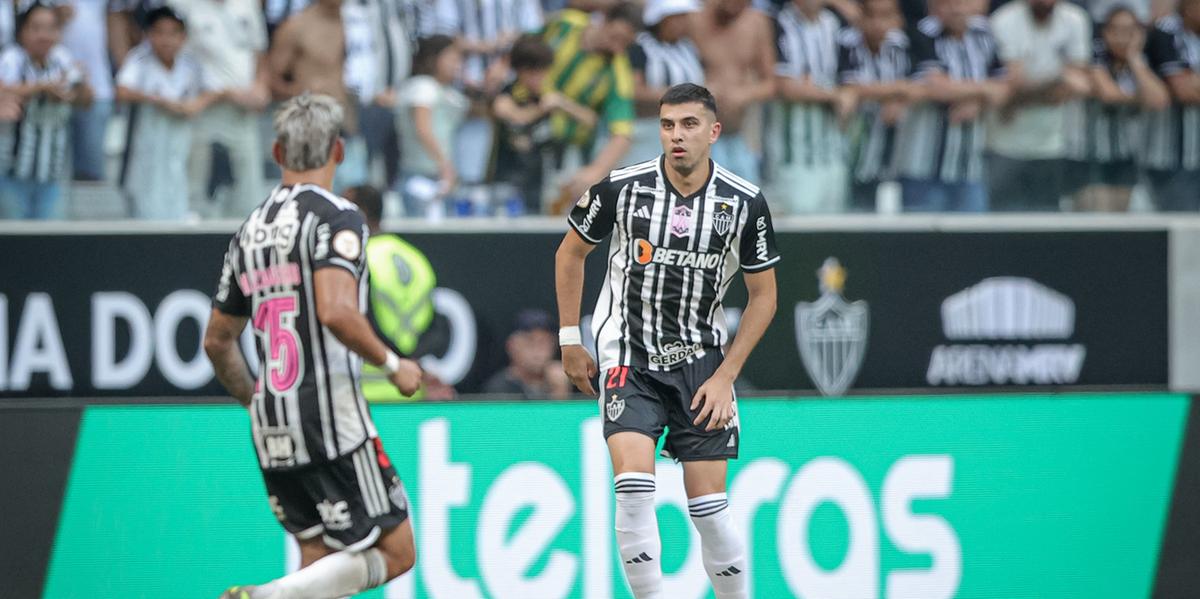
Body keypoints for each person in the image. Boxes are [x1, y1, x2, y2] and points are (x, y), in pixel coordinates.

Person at [555, 83, 780, 599]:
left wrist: (727, 376)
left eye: (689, 125)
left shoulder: (744, 202)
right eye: (667, 125)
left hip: (703, 365)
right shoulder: (620, 188)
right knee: (633, 489)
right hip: (628, 358)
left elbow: (764, 297)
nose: (676, 136)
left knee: (710, 512)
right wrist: (571, 338)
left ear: (714, 132)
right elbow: (570, 254)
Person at [204, 93, 423, 599]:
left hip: (273, 419)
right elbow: (336, 311)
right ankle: (267, 596)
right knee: (398, 552)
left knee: (317, 563)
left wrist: (256, 401)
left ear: (277, 152)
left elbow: (217, 341)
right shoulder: (338, 216)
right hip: (332, 418)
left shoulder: (248, 230)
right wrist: (393, 365)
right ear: (339, 152)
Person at [891, 0, 1010, 211]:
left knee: (973, 241)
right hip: (922, 168)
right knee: (922, 242)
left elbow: (1005, 88)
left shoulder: (985, 34)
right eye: (948, 2)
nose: (956, 8)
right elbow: (936, 87)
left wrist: (978, 104)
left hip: (970, 167)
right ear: (933, 6)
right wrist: (984, 91)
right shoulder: (919, 34)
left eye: (962, 2)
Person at [343, 184, 456, 401]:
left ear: (360, 213)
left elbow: (358, 320)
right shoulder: (414, 257)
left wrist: (391, 360)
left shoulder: (356, 258)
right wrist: (411, 358)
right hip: (410, 388)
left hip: (363, 390)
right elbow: (436, 329)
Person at [986, 0, 1092, 211]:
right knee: (1002, 223)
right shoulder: (1004, 20)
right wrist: (1058, 77)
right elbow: (1012, 84)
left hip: (1053, 142)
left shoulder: (1074, 19)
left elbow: (1078, 83)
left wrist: (1019, 96)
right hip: (1005, 143)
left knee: (1046, 220)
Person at [115, 6, 219, 219]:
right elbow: (121, 91)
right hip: (147, 153)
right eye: (159, 32)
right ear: (149, 35)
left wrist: (194, 105)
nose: (166, 40)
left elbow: (214, 90)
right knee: (146, 208)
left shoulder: (190, 64)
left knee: (180, 203)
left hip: (180, 149)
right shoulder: (139, 60)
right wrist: (157, 100)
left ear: (183, 37)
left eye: (173, 33)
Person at [170, 0, 270, 219]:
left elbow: (260, 56)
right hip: (203, 115)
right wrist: (220, 93)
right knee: (199, 197)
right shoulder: (181, 5)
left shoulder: (248, 5)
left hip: (243, 116)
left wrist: (260, 87)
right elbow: (175, 58)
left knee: (248, 196)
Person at [541, 2, 639, 211]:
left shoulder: (618, 71)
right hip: (523, 129)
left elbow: (622, 134)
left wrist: (595, 171)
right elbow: (525, 44)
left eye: (625, 44)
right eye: (616, 37)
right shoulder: (564, 24)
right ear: (603, 20)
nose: (618, 48)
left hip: (566, 150)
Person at [0, 2, 92, 220]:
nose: (44, 35)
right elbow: (4, 88)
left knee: (51, 246)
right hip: (14, 173)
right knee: (14, 246)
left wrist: (78, 88)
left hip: (53, 174)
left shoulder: (62, 59)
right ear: (22, 31)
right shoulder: (12, 58)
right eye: (36, 28)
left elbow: (86, 100)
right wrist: (42, 87)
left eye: (51, 28)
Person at [269, 0, 370, 192]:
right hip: (309, 128)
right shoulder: (296, 26)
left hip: (347, 125)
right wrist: (303, 95)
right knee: (310, 196)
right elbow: (273, 79)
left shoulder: (355, 24)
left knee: (354, 198)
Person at [490, 34, 597, 214]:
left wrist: (563, 104)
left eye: (543, 71)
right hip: (509, 180)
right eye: (532, 72)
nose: (538, 78)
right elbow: (514, 115)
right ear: (519, 70)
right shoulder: (508, 94)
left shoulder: (551, 94)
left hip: (545, 179)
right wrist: (542, 109)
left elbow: (590, 120)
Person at [1077, 5, 1169, 211]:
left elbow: (1159, 100)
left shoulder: (1142, 63)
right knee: (1098, 221)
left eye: (1129, 31)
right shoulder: (1096, 57)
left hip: (1130, 157)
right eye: (1115, 30)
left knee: (1123, 223)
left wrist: (1134, 57)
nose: (1121, 37)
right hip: (1093, 159)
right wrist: (1139, 98)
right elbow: (1108, 94)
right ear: (1105, 32)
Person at [769, 0, 849, 213]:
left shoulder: (834, 23)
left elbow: (849, 83)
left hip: (833, 150)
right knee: (801, 223)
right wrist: (831, 94)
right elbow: (783, 86)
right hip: (795, 154)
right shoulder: (778, 24)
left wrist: (822, 91)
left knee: (836, 226)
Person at [836, 0, 915, 211]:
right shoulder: (844, 42)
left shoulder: (902, 44)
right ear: (859, 15)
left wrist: (899, 99)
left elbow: (921, 87)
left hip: (892, 157)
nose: (879, 24)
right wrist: (898, 91)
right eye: (872, 16)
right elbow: (850, 88)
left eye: (886, 16)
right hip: (850, 155)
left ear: (897, 18)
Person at [692, 0, 776, 181]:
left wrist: (744, 94)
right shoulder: (694, 19)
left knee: (747, 200)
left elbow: (771, 84)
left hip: (742, 133)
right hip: (702, 134)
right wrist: (701, 91)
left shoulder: (757, 23)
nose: (734, 7)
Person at [395, 34, 468, 219]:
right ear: (434, 58)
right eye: (451, 58)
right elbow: (423, 128)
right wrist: (445, 165)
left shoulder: (445, 90)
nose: (456, 64)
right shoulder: (422, 86)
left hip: (440, 174)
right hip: (421, 173)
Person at [627, 0, 705, 163]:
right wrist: (682, 95)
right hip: (648, 131)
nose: (683, 23)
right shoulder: (640, 47)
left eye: (684, 17)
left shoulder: (688, 48)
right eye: (676, 17)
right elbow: (634, 90)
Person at [1143, 0, 1200, 210]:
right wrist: (1188, 81)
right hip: (1171, 156)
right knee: (1183, 224)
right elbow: (1183, 90)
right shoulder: (1165, 32)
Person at [483, 309, 571, 399]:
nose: (537, 350)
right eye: (530, 341)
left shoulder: (560, 380)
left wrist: (560, 390)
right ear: (512, 346)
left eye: (544, 342)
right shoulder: (500, 388)